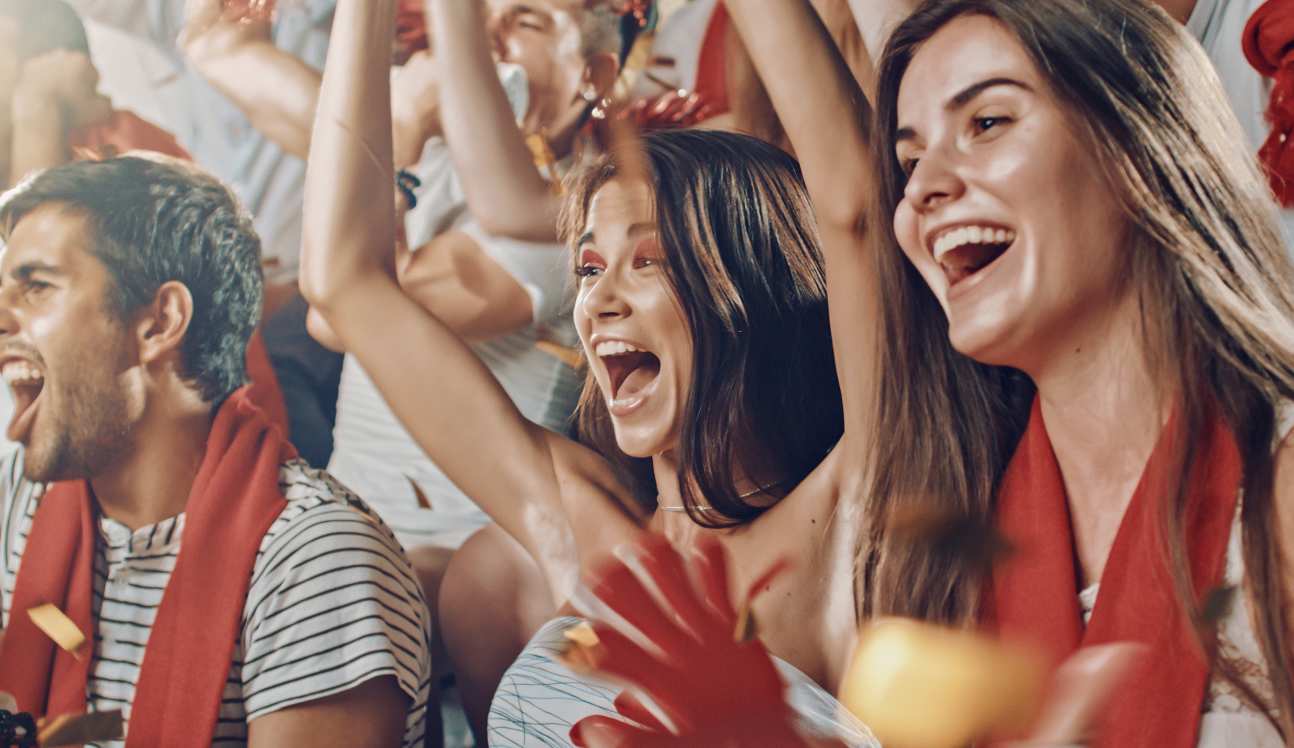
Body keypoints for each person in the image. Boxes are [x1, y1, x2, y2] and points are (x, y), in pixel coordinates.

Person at [577, 0, 1294, 744]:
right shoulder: (948, 535)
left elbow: (848, 198)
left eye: (987, 123)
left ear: (1142, 143)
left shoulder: (1279, 490)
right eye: (910, 160)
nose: (922, 188)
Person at [301, 2, 887, 747]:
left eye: (650, 261)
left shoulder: (844, 521)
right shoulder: (579, 528)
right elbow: (346, 283)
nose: (599, 301)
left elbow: (856, 211)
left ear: (754, 296)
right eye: (587, 267)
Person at [0, 156, 432, 747]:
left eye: (36, 287)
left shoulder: (316, 564)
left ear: (160, 322)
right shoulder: (18, 495)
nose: (3, 316)